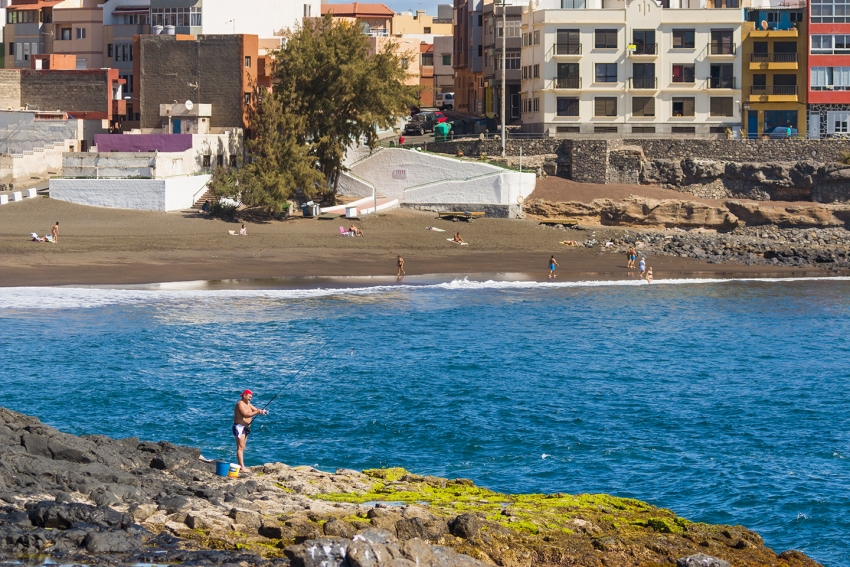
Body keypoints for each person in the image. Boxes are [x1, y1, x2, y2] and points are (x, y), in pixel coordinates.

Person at [233, 389, 267, 473]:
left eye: (251, 397)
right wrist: (257, 412)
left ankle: (241, 466)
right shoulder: (240, 404)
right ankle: (242, 468)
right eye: (249, 397)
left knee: (243, 447)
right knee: (240, 447)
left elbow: (256, 410)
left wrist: (262, 411)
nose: (250, 398)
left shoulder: (248, 404)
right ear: (244, 395)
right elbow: (245, 414)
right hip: (239, 427)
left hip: (245, 428)